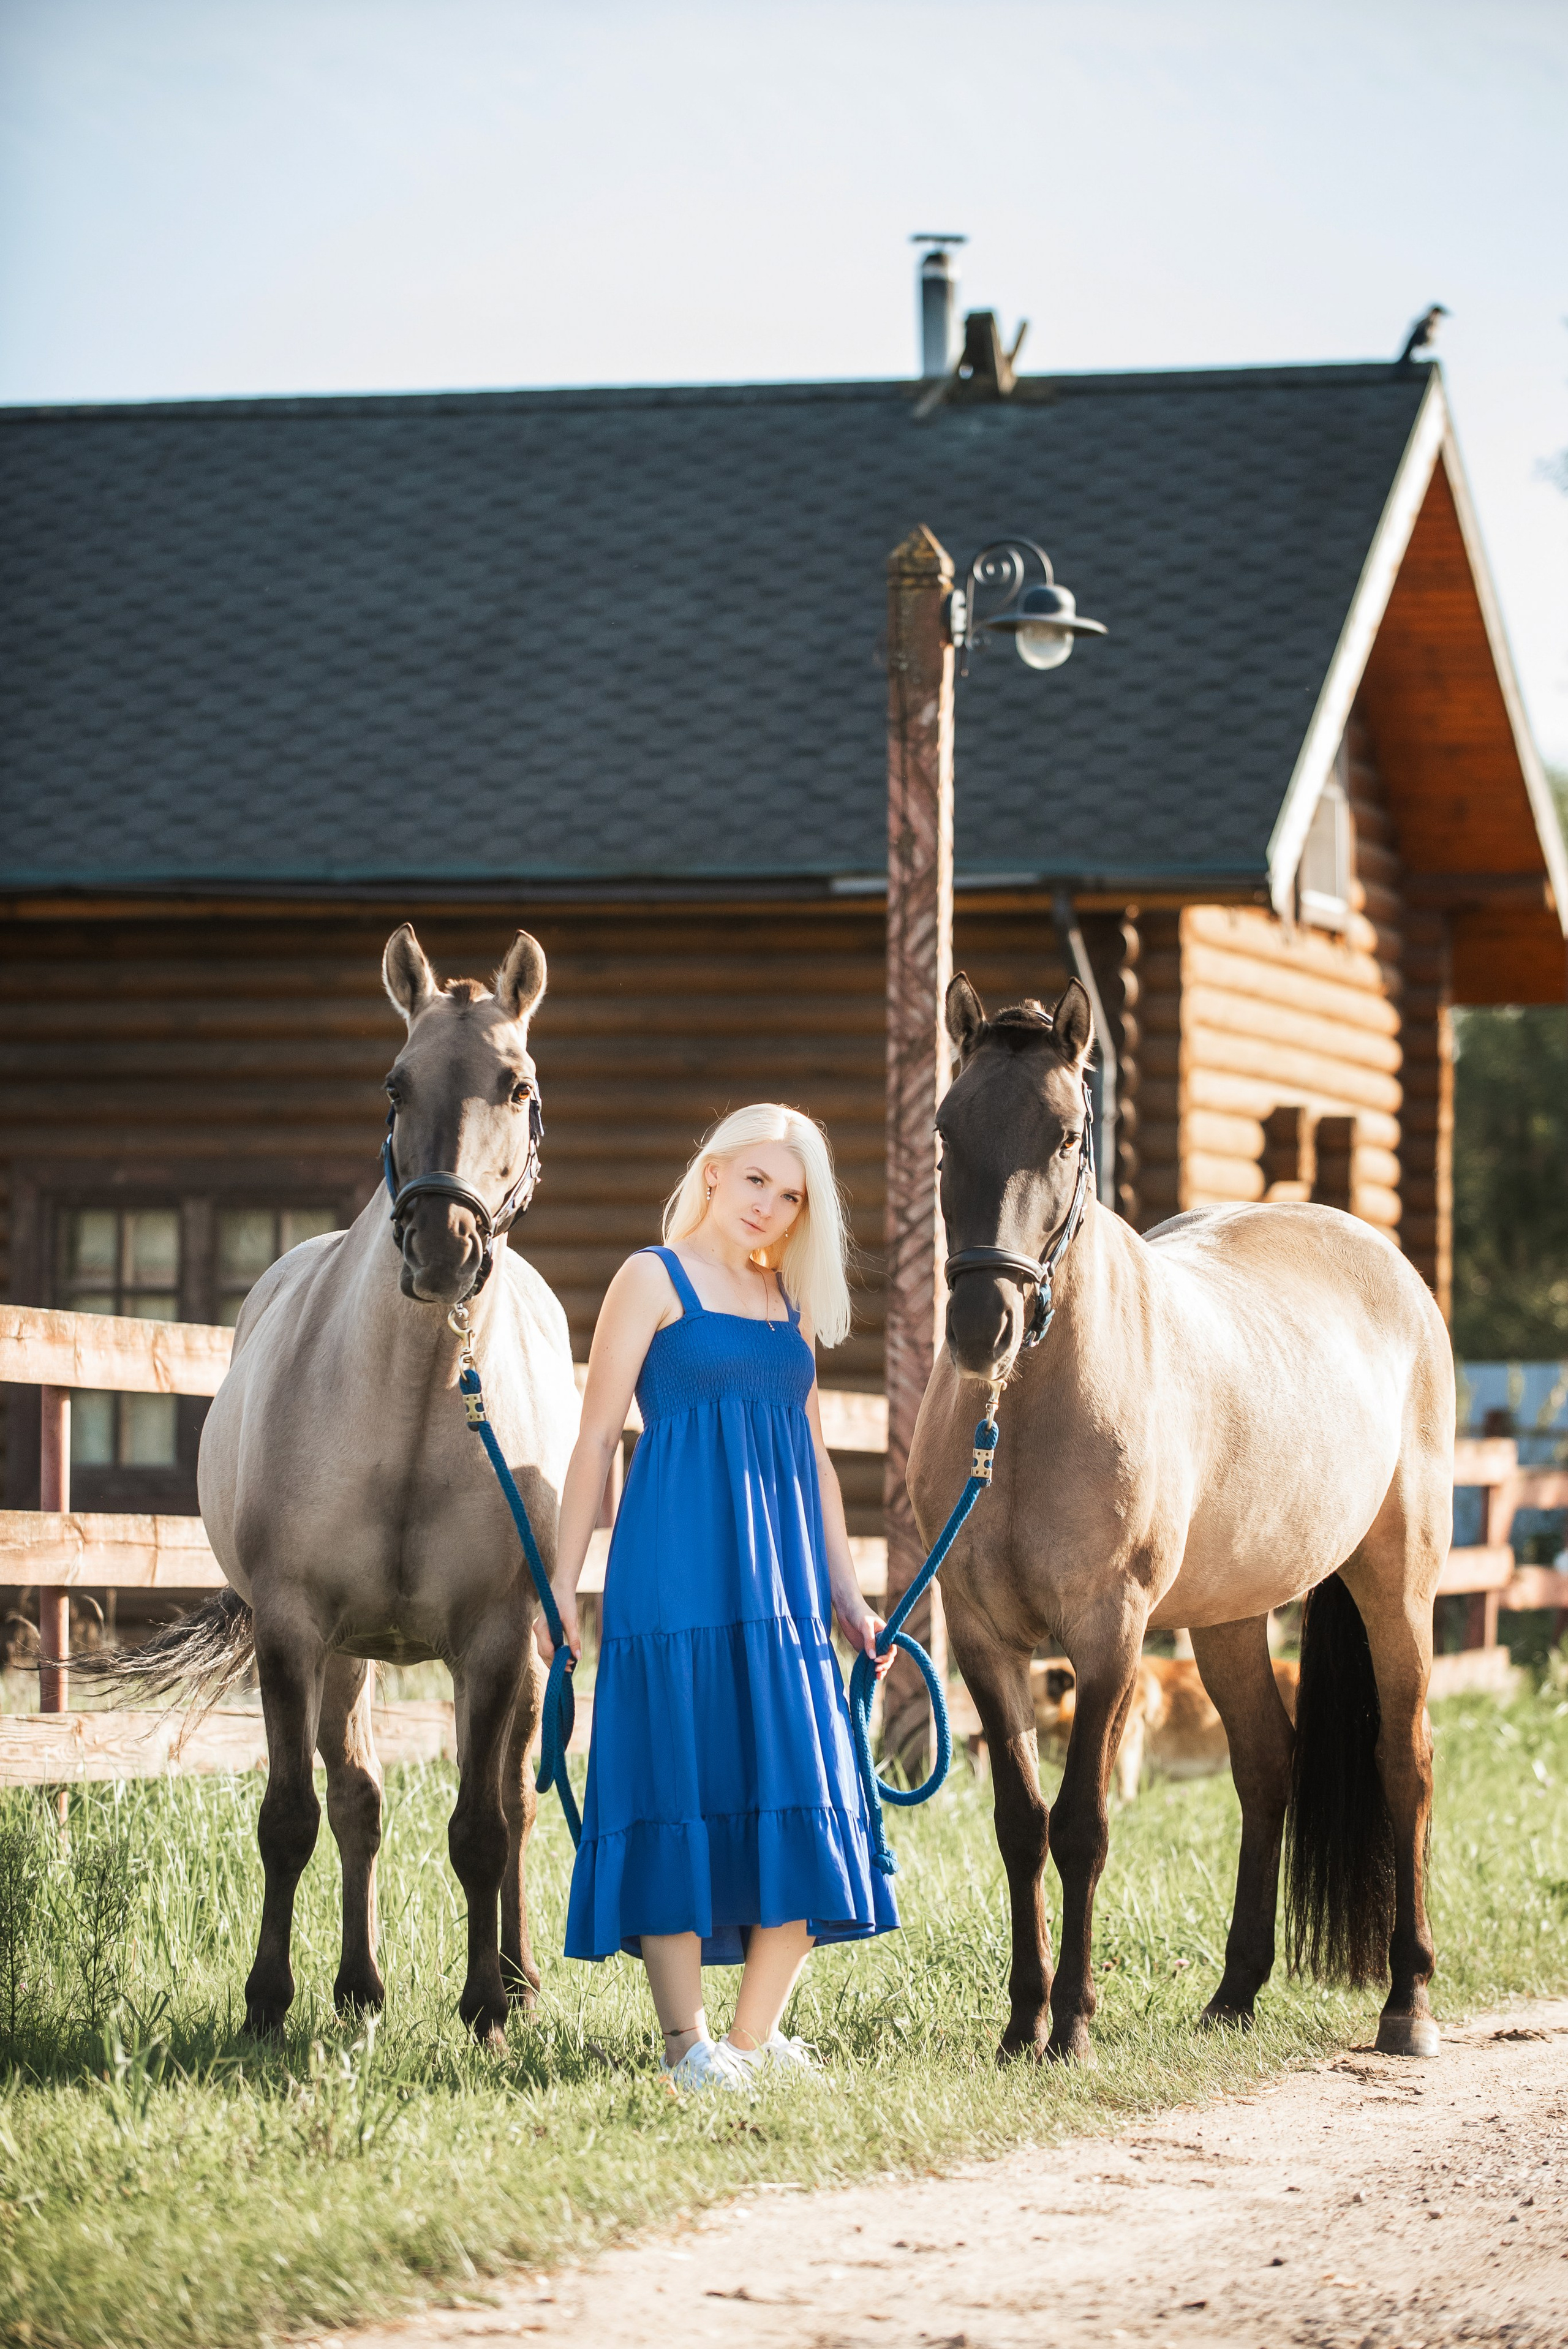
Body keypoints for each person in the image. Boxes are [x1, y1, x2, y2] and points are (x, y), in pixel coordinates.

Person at [540, 1102, 898, 2089]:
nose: (771, 1209)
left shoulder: (787, 1300)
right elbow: (596, 1438)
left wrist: (850, 1598)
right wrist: (561, 1587)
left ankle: (749, 2043)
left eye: (791, 1197)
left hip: (784, 1583)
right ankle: (684, 2046)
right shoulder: (649, 1278)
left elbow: (818, 1464)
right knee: (677, 1784)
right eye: (758, 1183)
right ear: (712, 1171)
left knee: (805, 1781)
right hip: (674, 1574)